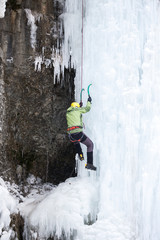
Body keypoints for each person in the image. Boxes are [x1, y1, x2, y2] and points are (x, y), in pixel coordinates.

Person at [66, 96, 96, 171]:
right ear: (76, 107)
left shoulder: (68, 112)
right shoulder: (78, 110)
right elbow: (87, 109)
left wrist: (79, 106)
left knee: (76, 142)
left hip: (71, 135)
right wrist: (89, 101)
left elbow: (75, 112)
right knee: (90, 145)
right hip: (78, 133)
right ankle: (89, 164)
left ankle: (81, 155)